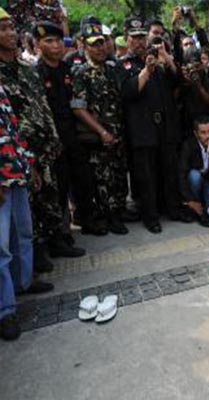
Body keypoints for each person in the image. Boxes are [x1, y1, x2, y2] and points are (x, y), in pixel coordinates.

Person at [0, 11, 79, 274]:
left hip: (46, 147)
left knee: (51, 197)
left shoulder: (26, 69)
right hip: (18, 154)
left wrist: (53, 140)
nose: (10, 33)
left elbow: (43, 107)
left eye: (11, 27)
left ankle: (54, 242)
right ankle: (32, 258)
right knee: (28, 209)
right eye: (3, 29)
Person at [34, 21, 100, 241]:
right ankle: (60, 234)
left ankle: (86, 219)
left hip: (73, 134)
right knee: (58, 188)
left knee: (83, 179)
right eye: (49, 41)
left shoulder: (67, 70)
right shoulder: (36, 73)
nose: (56, 46)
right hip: (51, 139)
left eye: (58, 40)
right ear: (38, 45)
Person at [119, 16, 185, 233]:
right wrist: (147, 70)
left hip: (164, 127)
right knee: (146, 177)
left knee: (168, 170)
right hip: (142, 130)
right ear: (126, 39)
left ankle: (173, 209)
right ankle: (151, 217)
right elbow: (129, 92)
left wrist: (166, 57)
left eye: (141, 37)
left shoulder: (158, 59)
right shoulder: (124, 64)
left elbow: (177, 81)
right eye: (134, 37)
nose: (139, 42)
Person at [71, 20, 130, 236]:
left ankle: (119, 212)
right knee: (103, 179)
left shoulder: (112, 69)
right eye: (94, 44)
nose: (100, 48)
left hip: (118, 133)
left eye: (103, 43)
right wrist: (101, 131)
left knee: (119, 175)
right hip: (99, 137)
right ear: (84, 46)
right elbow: (78, 108)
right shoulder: (81, 73)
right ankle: (109, 216)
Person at [0, 82, 37, 341]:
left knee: (22, 233)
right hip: (1, 181)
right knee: (0, 248)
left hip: (17, 175)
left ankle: (22, 284)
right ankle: (5, 310)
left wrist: (29, 165)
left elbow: (13, 131)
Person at [178, 116, 209, 228]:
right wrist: (190, 200)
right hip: (194, 185)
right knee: (194, 175)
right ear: (196, 134)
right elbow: (181, 174)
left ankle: (205, 209)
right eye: (203, 132)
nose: (207, 136)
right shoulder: (188, 146)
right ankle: (195, 206)